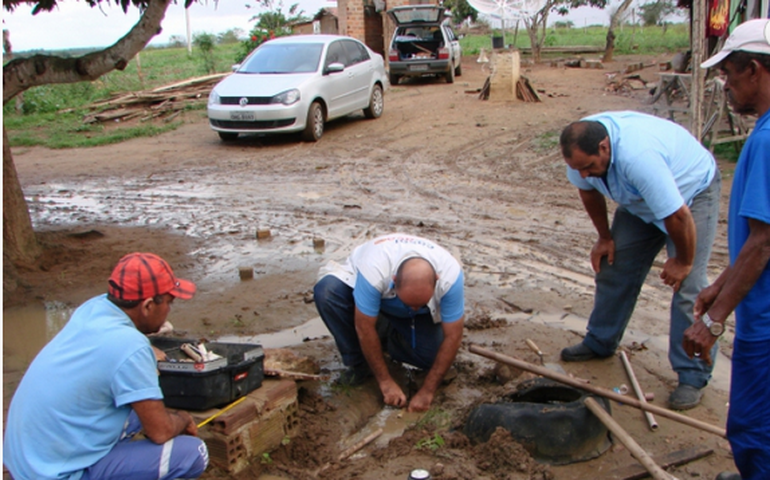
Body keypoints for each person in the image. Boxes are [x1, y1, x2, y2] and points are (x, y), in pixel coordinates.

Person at [558, 110, 721, 410]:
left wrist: (683, 262)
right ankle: (600, 341)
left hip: (690, 196)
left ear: (604, 147)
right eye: (577, 168)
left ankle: (692, 375)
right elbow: (588, 192)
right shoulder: (579, 156)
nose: (583, 173)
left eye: (589, 166)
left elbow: (677, 215)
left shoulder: (638, 157)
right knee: (613, 265)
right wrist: (604, 237)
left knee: (689, 288)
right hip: (639, 202)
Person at [3, 252, 209, 480]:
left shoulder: (92, 308)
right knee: (193, 453)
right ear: (148, 305)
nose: (170, 309)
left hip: (26, 461)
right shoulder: (131, 347)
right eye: (169, 303)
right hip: (55, 474)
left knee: (132, 413)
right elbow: (160, 432)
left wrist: (145, 351)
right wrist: (182, 420)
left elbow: (112, 348)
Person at [682, 19, 770, 480]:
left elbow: (763, 241)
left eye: (730, 74)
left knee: (754, 429)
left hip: (767, 321)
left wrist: (713, 323)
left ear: (754, 70)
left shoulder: (768, 142)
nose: (727, 85)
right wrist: (719, 283)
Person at [313, 233, 464, 413]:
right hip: (377, 296)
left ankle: (387, 336)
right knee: (327, 293)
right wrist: (385, 382)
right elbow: (364, 327)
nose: (414, 308)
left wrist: (428, 391)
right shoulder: (374, 269)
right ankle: (359, 363)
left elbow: (453, 336)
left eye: (420, 303)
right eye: (410, 303)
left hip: (414, 315)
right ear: (394, 280)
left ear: (437, 280)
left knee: (430, 359)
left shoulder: (451, 276)